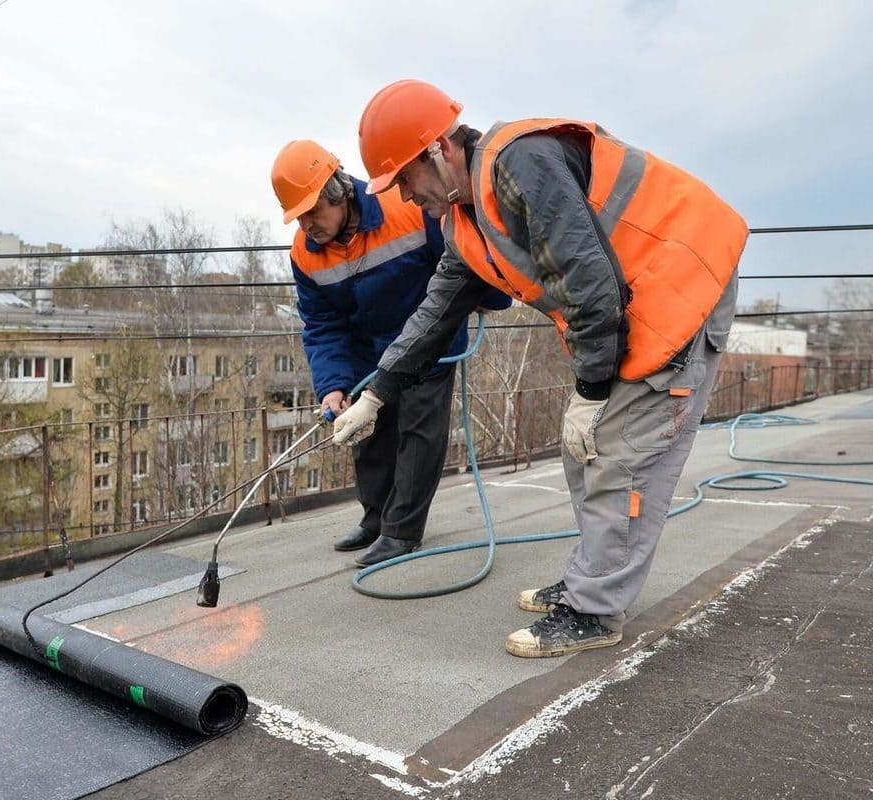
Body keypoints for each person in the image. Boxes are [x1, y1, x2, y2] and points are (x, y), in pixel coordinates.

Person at [334, 80, 746, 657]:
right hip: (630, 299)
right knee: (583, 453)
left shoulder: (519, 162)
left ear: (438, 152)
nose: (404, 196)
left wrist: (593, 389)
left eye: (404, 179)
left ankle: (594, 611)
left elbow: (587, 280)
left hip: (681, 284)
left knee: (619, 454)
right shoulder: (463, 219)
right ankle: (590, 578)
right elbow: (439, 308)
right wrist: (378, 392)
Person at [271, 139, 511, 567]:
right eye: (299, 216)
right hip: (368, 349)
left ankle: (402, 532)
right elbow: (323, 324)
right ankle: (375, 520)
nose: (307, 225)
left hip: (427, 342)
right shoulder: (303, 255)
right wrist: (333, 387)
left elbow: (463, 262)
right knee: (369, 436)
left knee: (419, 432)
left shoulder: (408, 208)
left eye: (313, 212)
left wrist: (491, 297)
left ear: (338, 191)